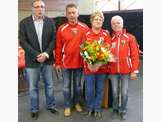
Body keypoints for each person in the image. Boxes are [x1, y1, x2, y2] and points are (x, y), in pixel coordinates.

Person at [19, 0, 58, 120]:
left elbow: (54, 39)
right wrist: (37, 55)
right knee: (33, 87)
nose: (40, 9)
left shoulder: (50, 22)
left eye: (42, 7)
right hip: (32, 60)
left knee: (50, 85)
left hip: (47, 59)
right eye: (37, 7)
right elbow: (23, 41)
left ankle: (51, 105)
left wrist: (46, 54)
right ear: (32, 8)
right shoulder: (24, 23)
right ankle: (34, 109)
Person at [55, 3, 89, 117]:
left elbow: (89, 46)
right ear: (66, 14)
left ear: (78, 13)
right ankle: (67, 105)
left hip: (79, 63)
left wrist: (89, 61)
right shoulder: (61, 28)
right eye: (69, 13)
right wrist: (58, 62)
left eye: (74, 12)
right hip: (66, 64)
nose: (72, 15)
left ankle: (76, 103)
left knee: (78, 86)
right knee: (66, 86)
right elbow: (58, 47)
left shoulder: (84, 27)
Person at [108, 15, 140, 120]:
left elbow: (135, 55)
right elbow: (105, 55)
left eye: (118, 23)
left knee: (124, 92)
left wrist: (134, 70)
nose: (116, 25)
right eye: (114, 23)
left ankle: (123, 109)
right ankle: (116, 108)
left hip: (126, 71)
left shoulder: (130, 37)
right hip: (113, 71)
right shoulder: (109, 39)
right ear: (111, 25)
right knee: (115, 91)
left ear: (122, 24)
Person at [82, 11, 111, 117]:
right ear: (91, 21)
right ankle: (90, 107)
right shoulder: (86, 34)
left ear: (102, 21)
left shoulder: (106, 34)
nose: (98, 21)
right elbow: (83, 50)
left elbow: (107, 51)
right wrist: (90, 64)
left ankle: (97, 108)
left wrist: (98, 64)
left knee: (99, 89)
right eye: (96, 19)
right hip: (89, 68)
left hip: (102, 68)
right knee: (89, 90)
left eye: (100, 19)